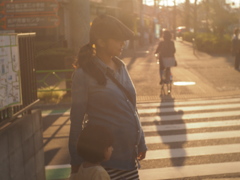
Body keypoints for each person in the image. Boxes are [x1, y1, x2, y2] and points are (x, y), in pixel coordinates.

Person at [69, 14, 147, 180]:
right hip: (104, 162)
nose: (123, 43)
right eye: (118, 39)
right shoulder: (83, 74)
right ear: (102, 41)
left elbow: (132, 108)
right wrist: (75, 165)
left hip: (129, 158)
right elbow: (76, 121)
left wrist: (141, 142)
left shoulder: (121, 66)